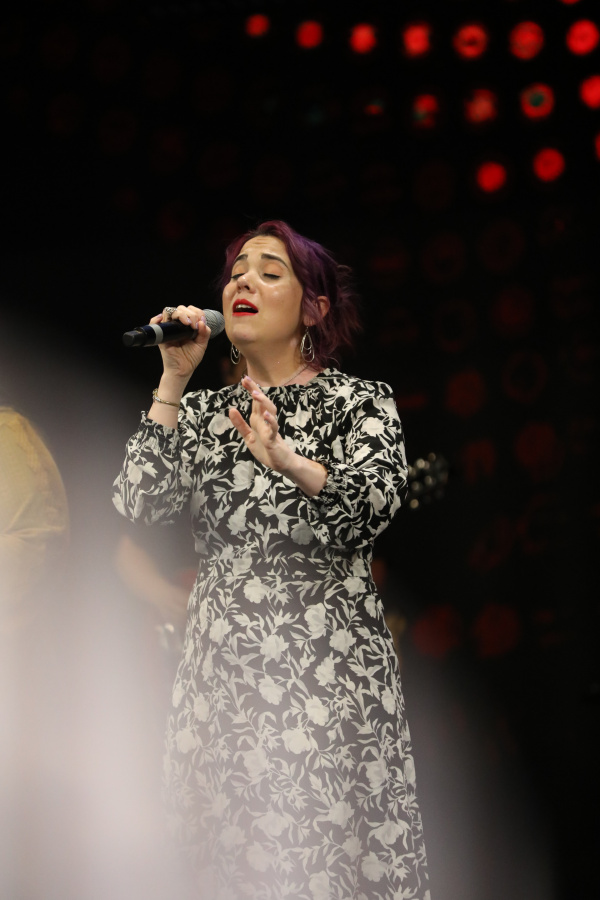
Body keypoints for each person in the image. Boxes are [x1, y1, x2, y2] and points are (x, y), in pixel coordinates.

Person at [113, 221, 430, 900]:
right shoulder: (204, 413)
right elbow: (138, 503)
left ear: (314, 308)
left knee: (325, 863)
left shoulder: (359, 401)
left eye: (269, 271)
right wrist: (173, 380)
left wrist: (287, 459)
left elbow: (373, 506)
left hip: (326, 675)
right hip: (222, 679)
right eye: (236, 273)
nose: (244, 282)